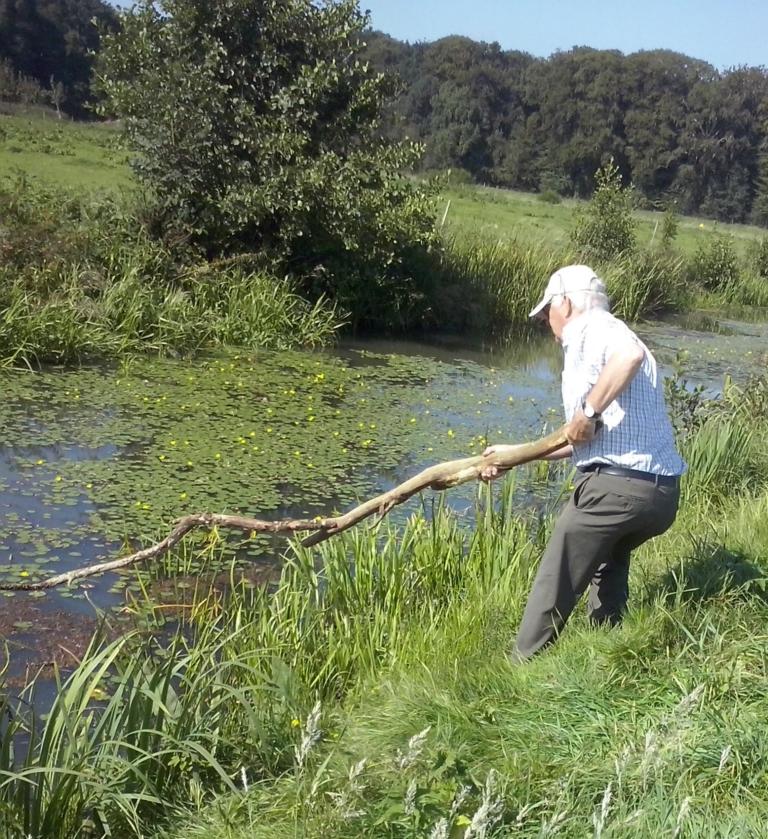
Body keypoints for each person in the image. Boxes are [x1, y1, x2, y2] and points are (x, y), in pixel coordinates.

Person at [481, 264, 685, 661]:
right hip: (659, 494)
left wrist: (588, 411)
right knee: (607, 558)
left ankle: (521, 666)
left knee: (557, 569)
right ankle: (609, 643)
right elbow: (580, 440)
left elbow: (628, 357)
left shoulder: (593, 330)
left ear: (566, 303)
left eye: (546, 314)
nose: (546, 323)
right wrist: (513, 456)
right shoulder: (604, 338)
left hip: (618, 488)